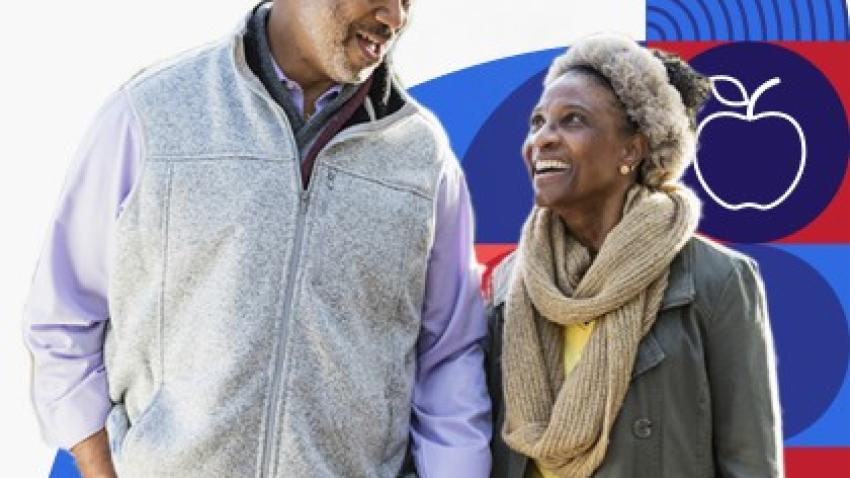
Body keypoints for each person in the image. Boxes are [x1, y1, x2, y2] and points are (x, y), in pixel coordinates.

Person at [22, 1, 492, 477]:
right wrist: (99, 468)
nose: (394, 15)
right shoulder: (152, 114)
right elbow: (64, 315)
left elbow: (449, 360)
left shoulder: (422, 160)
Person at [485, 34, 783, 478]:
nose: (543, 139)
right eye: (537, 122)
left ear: (632, 148)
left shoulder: (715, 280)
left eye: (572, 120)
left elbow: (751, 462)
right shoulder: (513, 282)